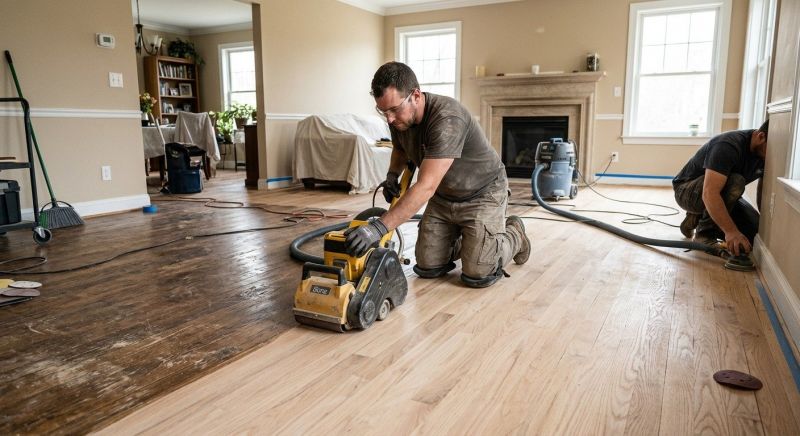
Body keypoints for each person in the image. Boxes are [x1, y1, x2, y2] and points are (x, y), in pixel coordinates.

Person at [344, 61, 531, 288]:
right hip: (445, 196)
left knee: (478, 271)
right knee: (428, 265)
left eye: (393, 110)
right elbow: (401, 148)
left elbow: (426, 187)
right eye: (383, 111)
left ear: (415, 95)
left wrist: (379, 227)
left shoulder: (447, 119)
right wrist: (393, 175)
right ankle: (474, 237)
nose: (389, 119)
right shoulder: (399, 119)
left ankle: (515, 234)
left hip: (482, 193)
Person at [673, 120, 768, 256]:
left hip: (719, 192)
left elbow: (762, 196)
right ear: (761, 137)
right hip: (686, 191)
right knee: (736, 182)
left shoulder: (765, 155)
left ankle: (697, 217)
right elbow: (709, 193)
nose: (775, 154)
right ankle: (704, 235)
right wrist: (731, 232)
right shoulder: (728, 145)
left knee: (754, 232)